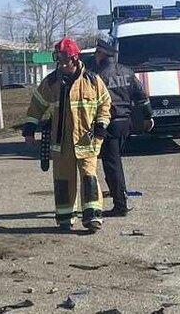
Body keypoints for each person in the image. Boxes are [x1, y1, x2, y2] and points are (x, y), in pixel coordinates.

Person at [22, 38, 112, 232]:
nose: (61, 62)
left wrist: (102, 125)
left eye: (64, 57)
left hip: (87, 141)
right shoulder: (52, 82)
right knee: (63, 180)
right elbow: (37, 105)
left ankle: (93, 217)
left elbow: (105, 104)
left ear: (74, 57)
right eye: (58, 57)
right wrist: (30, 128)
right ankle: (65, 217)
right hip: (60, 143)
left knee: (89, 178)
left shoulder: (92, 81)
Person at [90, 33, 154, 217]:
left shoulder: (96, 76)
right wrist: (147, 118)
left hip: (107, 125)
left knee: (112, 166)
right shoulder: (127, 72)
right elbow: (142, 99)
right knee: (116, 163)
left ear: (102, 54)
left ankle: (120, 205)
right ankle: (121, 197)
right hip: (125, 124)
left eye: (97, 52)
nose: (95, 55)